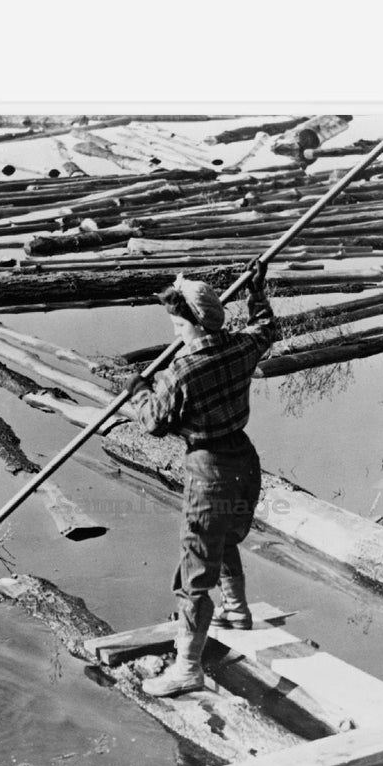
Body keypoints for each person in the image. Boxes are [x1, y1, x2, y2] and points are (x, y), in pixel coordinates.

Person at [125, 261, 277, 697]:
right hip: (244, 460)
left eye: (174, 322)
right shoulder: (242, 347)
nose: (172, 329)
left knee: (194, 567)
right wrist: (256, 290)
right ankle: (237, 611)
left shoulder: (181, 373)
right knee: (225, 538)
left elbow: (153, 421)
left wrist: (138, 391)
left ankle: (188, 667)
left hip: (208, 469)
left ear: (183, 322)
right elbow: (265, 325)